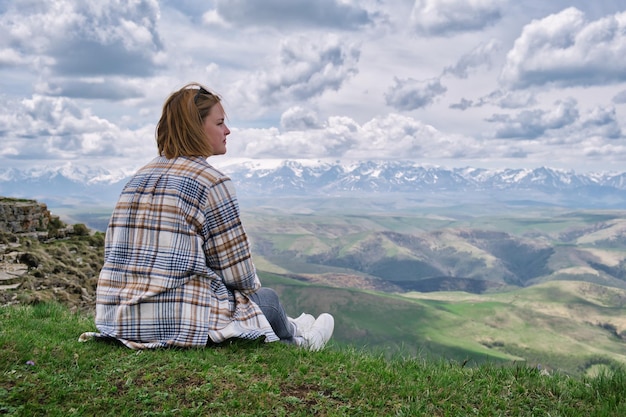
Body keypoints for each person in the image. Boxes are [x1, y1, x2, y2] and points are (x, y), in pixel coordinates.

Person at [79, 82, 334, 350]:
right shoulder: (211, 181)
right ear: (197, 128)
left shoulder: (137, 179)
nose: (228, 131)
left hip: (118, 319)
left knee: (258, 305)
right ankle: (300, 339)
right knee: (266, 300)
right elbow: (240, 275)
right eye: (220, 123)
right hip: (175, 321)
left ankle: (294, 328)